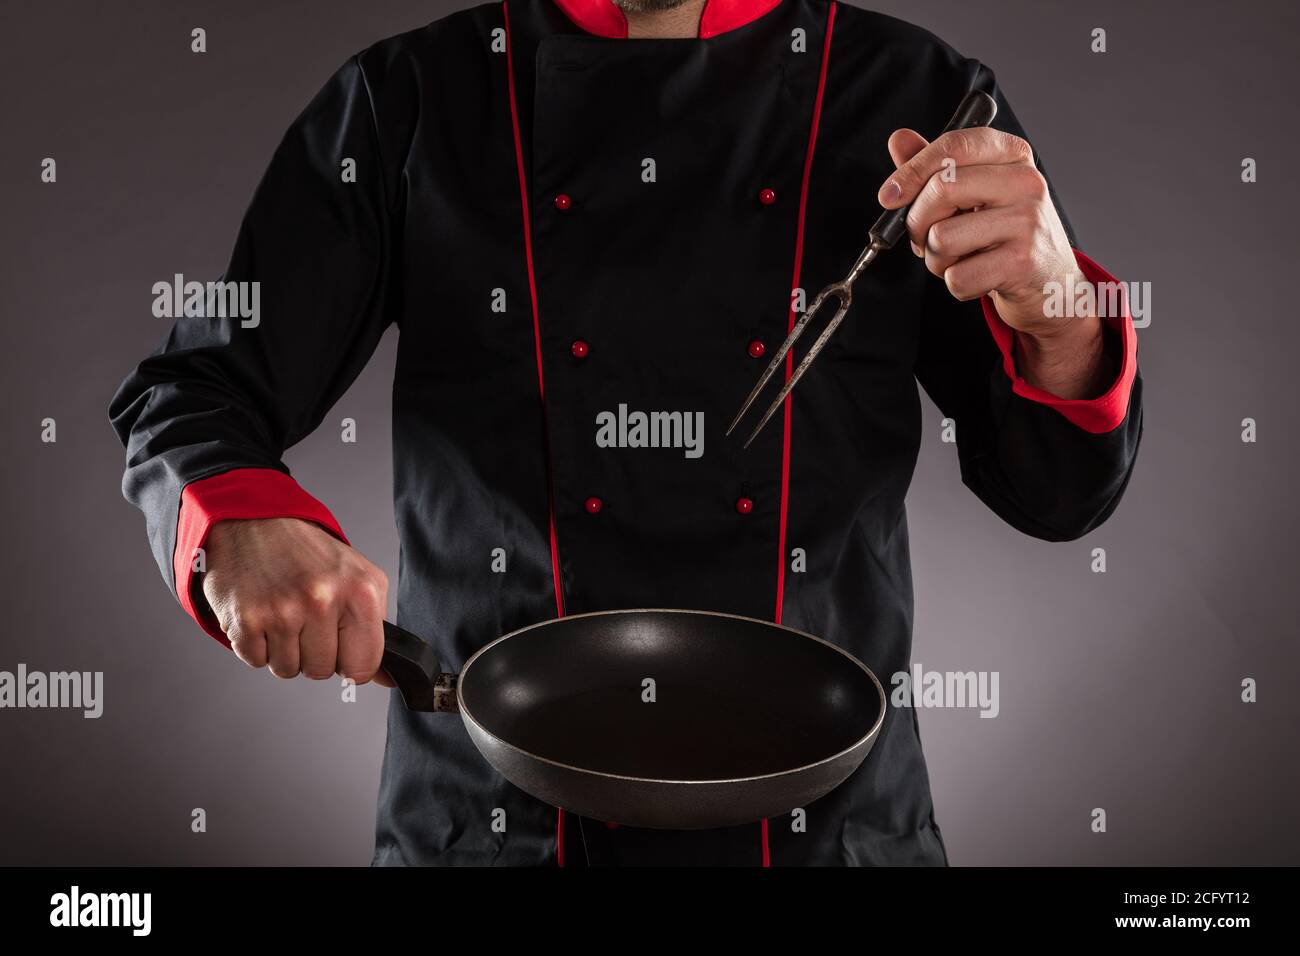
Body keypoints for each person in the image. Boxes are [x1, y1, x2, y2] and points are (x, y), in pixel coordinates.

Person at [110, 0, 1142, 866]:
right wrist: (239, 517)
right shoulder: (407, 101)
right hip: (491, 828)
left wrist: (1058, 317)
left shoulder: (918, 99)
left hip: (834, 834)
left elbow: (1056, 492)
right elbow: (196, 391)